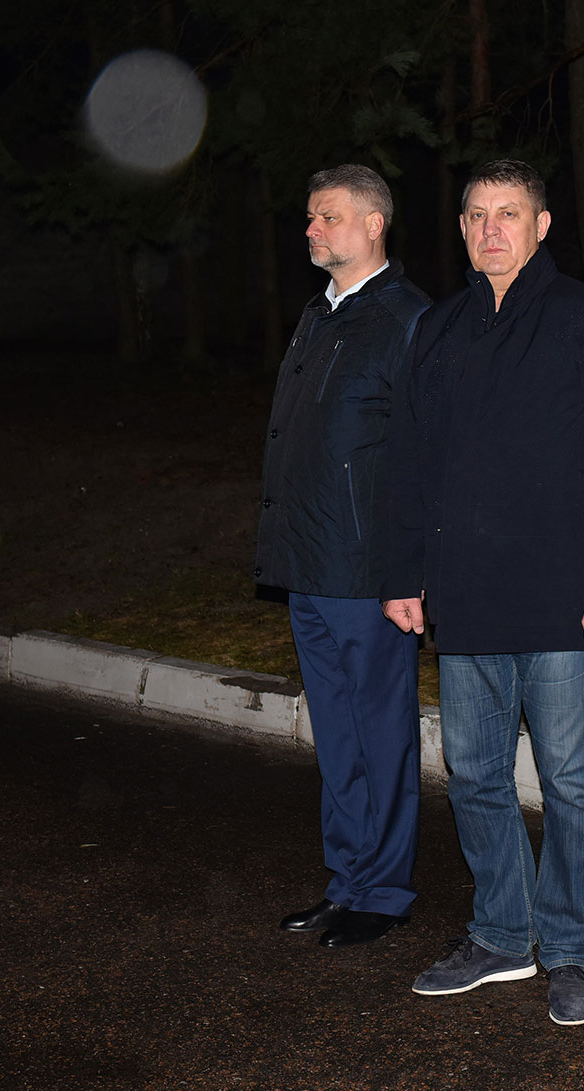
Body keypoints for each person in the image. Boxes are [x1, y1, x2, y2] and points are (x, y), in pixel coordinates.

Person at [381, 158, 584, 1026]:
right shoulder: (437, 328)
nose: (490, 229)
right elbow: (410, 461)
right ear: (462, 228)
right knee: (474, 776)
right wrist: (402, 573)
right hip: (464, 595)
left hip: (564, 600)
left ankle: (571, 947)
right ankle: (503, 934)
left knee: (572, 783)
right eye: (476, 214)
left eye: (509, 213)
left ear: (541, 226)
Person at [257, 164, 431, 949]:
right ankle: (347, 881)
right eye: (309, 217)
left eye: (327, 216)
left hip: (367, 573)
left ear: (373, 224)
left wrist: (409, 571)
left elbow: (424, 455)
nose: (312, 229)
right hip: (308, 562)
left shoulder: (406, 318)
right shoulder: (318, 314)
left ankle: (385, 891)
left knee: (380, 735)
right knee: (336, 736)